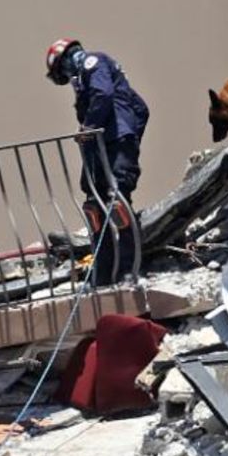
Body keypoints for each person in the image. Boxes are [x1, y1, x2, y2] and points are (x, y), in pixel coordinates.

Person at [45, 38, 149, 285]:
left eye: (62, 70)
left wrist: (125, 138)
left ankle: (127, 271)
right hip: (98, 149)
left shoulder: (95, 63)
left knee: (117, 204)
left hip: (112, 143)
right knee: (95, 207)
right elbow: (141, 109)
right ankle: (103, 273)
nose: (66, 76)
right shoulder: (86, 79)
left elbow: (103, 95)